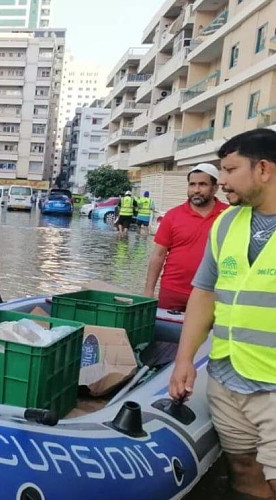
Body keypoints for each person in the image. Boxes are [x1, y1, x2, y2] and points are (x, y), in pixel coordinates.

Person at [169, 129, 276, 498]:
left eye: (229, 170)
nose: (222, 181)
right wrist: (184, 359)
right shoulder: (227, 222)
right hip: (227, 377)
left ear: (263, 169)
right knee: (244, 473)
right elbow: (204, 293)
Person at [143, 164, 228, 311]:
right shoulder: (172, 216)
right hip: (172, 293)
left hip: (212, 294)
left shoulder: (229, 216)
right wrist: (149, 290)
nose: (196, 190)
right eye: (192, 184)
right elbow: (158, 255)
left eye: (202, 184)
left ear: (215, 188)